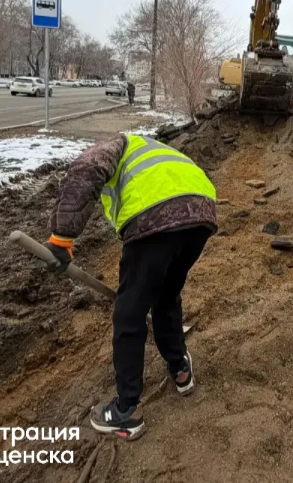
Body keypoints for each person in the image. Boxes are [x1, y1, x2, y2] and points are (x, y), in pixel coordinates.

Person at [44, 134, 217, 440]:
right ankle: (180, 369)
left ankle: (125, 411)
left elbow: (86, 170)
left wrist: (61, 238)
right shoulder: (152, 149)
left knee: (130, 315)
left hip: (154, 217)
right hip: (201, 212)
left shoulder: (114, 145)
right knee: (166, 296)